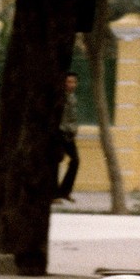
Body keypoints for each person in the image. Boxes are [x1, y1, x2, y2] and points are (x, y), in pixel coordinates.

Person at [54, 72, 80, 203]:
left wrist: (74, 129)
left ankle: (64, 191)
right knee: (56, 161)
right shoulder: (60, 97)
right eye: (68, 82)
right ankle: (55, 194)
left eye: (73, 82)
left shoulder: (72, 97)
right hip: (60, 133)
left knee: (75, 160)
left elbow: (72, 117)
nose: (71, 85)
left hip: (69, 133)